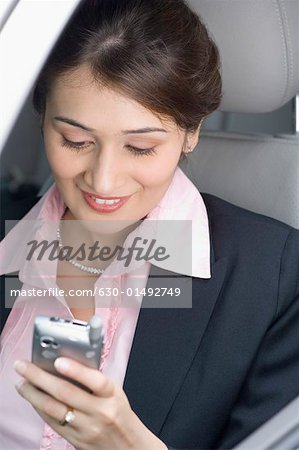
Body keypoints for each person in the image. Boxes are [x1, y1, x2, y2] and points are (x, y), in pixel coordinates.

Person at [0, 0, 299, 449]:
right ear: (41, 117)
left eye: (139, 147)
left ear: (191, 130)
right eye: (75, 140)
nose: (103, 180)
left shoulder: (274, 281)